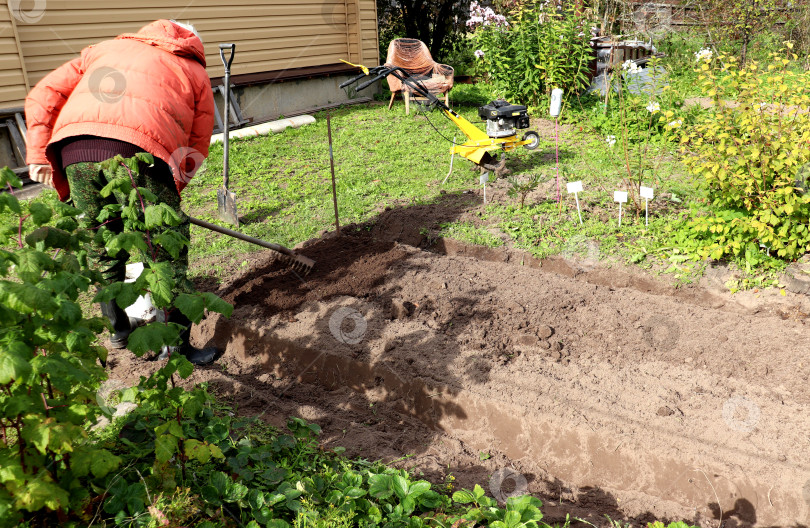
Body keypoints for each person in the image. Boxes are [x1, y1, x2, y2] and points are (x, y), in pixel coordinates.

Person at [24, 20, 219, 365]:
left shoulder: (103, 50)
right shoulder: (194, 71)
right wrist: (169, 195)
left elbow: (43, 95)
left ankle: (118, 331)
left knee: (100, 240)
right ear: (192, 43)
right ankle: (177, 348)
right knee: (165, 247)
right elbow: (197, 142)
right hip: (139, 150)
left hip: (75, 150)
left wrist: (39, 153)